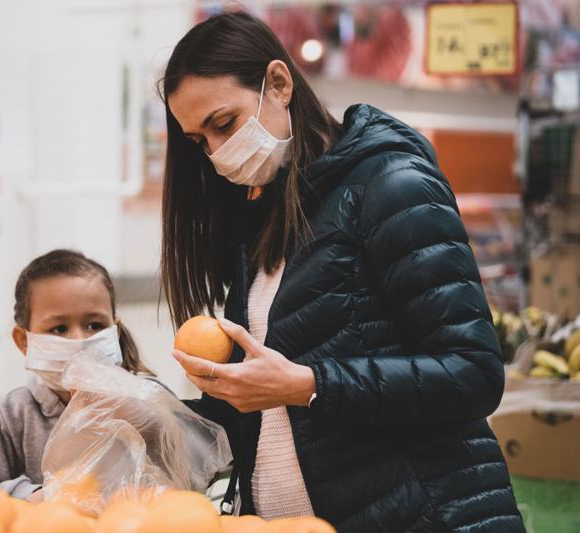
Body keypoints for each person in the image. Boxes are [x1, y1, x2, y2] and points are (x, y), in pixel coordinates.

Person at [162, 11, 524, 532]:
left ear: (279, 84)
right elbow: (277, 420)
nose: (218, 153)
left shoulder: (391, 185)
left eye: (224, 124)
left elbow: (473, 374)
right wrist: (155, 412)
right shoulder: (262, 223)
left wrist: (309, 385)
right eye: (201, 141)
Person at [0, 249, 148, 500]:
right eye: (59, 328)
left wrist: (138, 413)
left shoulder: (145, 402)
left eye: (94, 325)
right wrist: (32, 496)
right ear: (24, 341)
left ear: (114, 331)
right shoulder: (15, 414)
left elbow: (189, 472)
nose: (79, 340)